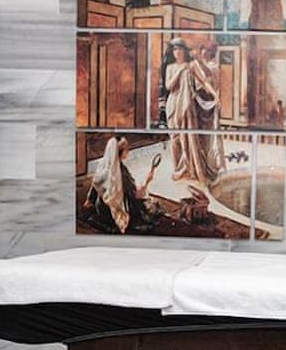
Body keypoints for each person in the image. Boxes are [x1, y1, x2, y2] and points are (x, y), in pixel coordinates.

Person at [164, 38, 225, 184]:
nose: (177, 52)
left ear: (185, 51)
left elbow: (204, 81)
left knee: (188, 138)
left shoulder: (192, 65)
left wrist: (215, 95)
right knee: (174, 138)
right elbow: (169, 86)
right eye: (174, 49)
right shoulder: (171, 67)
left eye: (180, 49)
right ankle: (177, 169)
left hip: (187, 105)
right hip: (173, 104)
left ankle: (188, 168)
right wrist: (180, 70)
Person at [83, 136, 158, 234]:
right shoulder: (122, 173)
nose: (128, 151)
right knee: (149, 207)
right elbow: (136, 194)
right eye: (127, 149)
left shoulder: (102, 165)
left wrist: (89, 201)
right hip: (115, 211)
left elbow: (95, 186)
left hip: (102, 208)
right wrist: (147, 181)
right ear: (120, 152)